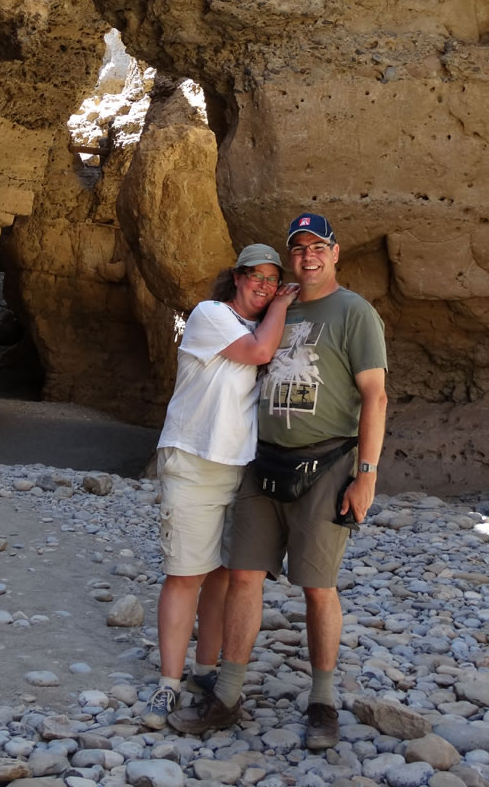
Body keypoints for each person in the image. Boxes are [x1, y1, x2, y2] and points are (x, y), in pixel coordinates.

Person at [169, 212, 388, 750]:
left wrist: (366, 475)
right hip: (262, 461)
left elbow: (375, 396)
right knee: (243, 575)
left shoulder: (355, 313)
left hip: (327, 465)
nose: (308, 257)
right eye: (299, 249)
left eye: (318, 247)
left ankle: (323, 702)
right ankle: (227, 695)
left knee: (318, 586)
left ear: (335, 253)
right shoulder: (272, 311)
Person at [140, 243, 299, 729]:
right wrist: (283, 304)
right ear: (238, 277)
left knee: (224, 576)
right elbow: (260, 353)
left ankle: (204, 672)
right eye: (258, 276)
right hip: (193, 462)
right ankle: (168, 684)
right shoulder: (210, 315)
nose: (265, 286)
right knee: (185, 574)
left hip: (242, 469)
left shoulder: (261, 324)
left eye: (273, 279)